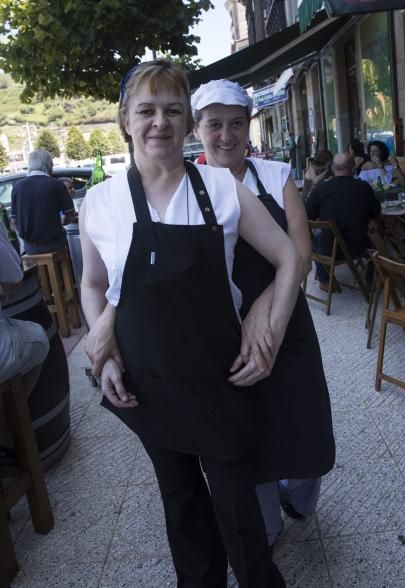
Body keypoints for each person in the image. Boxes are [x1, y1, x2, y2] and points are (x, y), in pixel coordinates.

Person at [79, 60, 303, 587]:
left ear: (186, 122)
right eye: (147, 110)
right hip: (148, 385)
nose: (160, 122)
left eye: (173, 110)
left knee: (237, 509)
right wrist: (102, 346)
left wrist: (267, 326)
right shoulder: (100, 203)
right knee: (179, 504)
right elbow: (93, 285)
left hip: (219, 380)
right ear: (125, 121)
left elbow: (289, 258)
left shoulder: (221, 188)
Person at [190, 79, 335, 546]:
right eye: (215, 124)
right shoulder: (187, 187)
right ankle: (266, 517)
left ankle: (301, 496)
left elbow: (301, 250)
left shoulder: (274, 175)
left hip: (288, 323)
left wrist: (265, 315)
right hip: (223, 336)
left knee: (304, 421)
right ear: (198, 129)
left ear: (248, 126)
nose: (226, 135)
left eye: (236, 123)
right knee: (249, 431)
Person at [0, 223, 49, 451]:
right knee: (37, 339)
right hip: (53, 245)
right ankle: (9, 432)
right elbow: (13, 282)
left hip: (32, 247)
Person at [306, 152, 381, 290]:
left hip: (328, 249)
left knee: (315, 238)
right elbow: (376, 213)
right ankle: (370, 281)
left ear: (333, 168)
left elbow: (307, 216)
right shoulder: (363, 187)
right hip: (360, 246)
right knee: (379, 243)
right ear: (353, 168)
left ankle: (325, 281)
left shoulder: (321, 190)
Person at [11, 149, 77, 254]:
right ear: (49, 164)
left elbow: (14, 222)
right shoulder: (56, 184)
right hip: (55, 244)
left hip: (30, 247)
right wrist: (59, 223)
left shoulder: (17, 186)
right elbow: (71, 216)